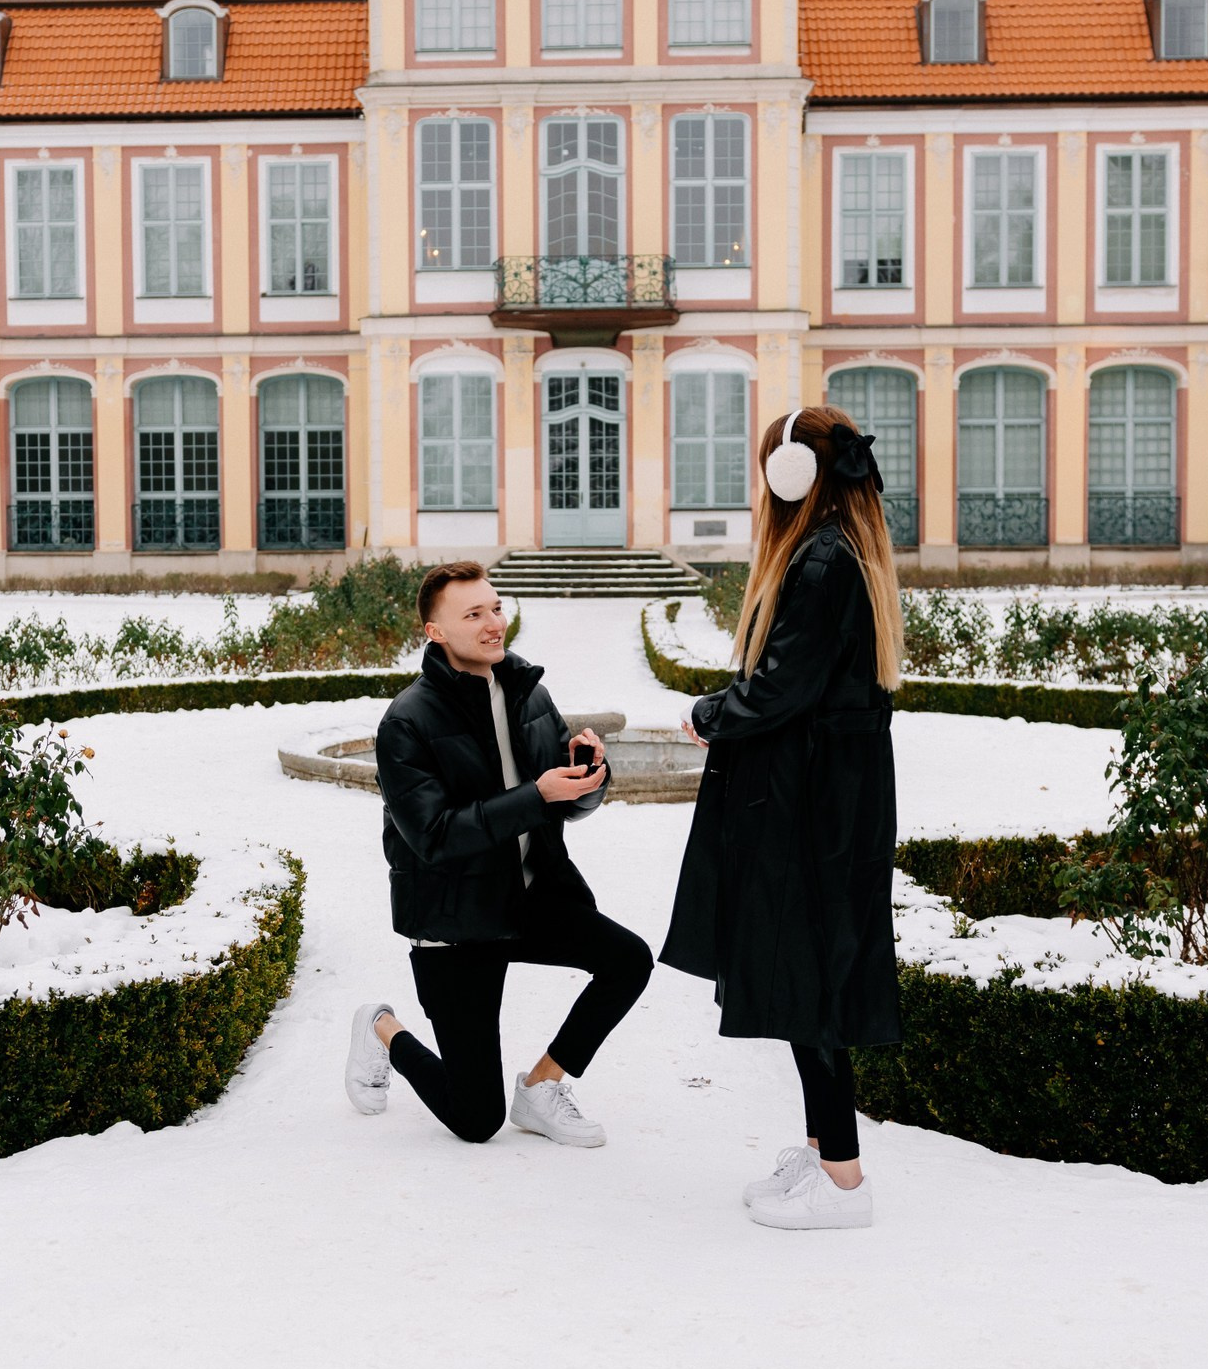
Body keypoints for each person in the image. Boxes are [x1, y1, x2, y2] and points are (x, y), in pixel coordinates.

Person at [663, 407, 905, 1230]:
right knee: (813, 965)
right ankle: (822, 1148)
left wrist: (708, 712)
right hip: (827, 791)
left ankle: (843, 1180)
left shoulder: (820, 561)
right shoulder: (840, 551)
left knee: (809, 975)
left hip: (812, 799)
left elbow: (780, 688)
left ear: (789, 476)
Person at [343, 561, 653, 1146]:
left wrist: (589, 778)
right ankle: (381, 1027)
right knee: (475, 1120)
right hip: (455, 918)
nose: (494, 624)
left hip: (527, 897)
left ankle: (541, 1086)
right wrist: (535, 795)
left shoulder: (528, 693)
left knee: (628, 960)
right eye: (474, 614)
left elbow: (561, 806)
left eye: (495, 608)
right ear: (434, 632)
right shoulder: (405, 723)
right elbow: (434, 837)